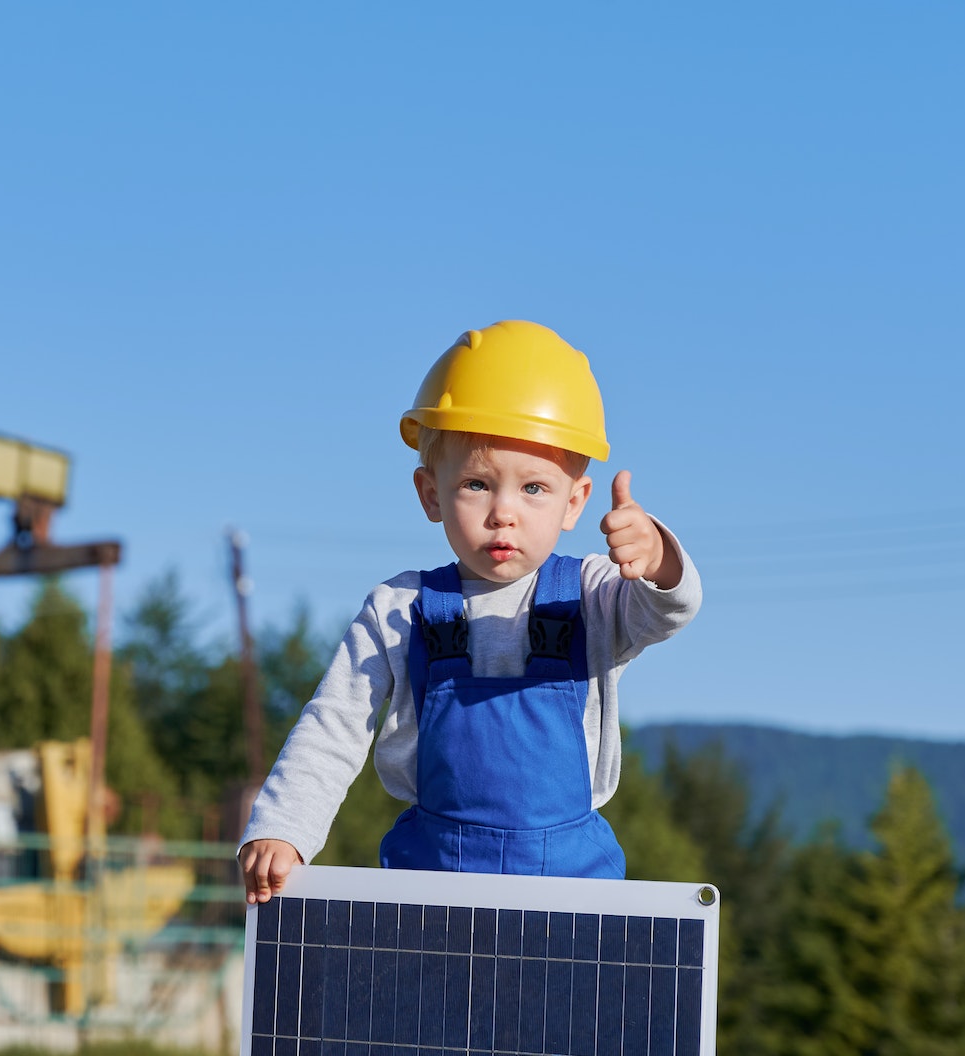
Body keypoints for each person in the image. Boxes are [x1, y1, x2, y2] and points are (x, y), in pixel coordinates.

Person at [238, 319, 700, 902]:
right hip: (431, 893)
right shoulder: (398, 610)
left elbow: (667, 611)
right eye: (477, 484)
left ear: (574, 502)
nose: (503, 511)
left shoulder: (594, 594)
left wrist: (658, 559)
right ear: (431, 493)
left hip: (575, 901)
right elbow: (334, 722)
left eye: (533, 488)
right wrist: (285, 827)